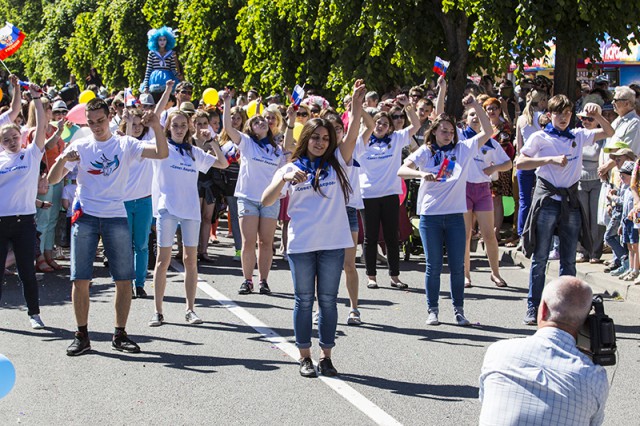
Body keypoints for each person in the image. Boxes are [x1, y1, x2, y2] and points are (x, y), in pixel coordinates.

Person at [48, 98, 169, 356]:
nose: (96, 127)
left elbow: (161, 153)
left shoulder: (125, 144)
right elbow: (52, 178)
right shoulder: (80, 144)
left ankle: (120, 334)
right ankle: (82, 335)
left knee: (124, 279)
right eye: (91, 123)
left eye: (101, 121)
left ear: (110, 118)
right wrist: (63, 161)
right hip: (86, 217)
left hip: (116, 215)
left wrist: (157, 127)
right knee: (80, 279)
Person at [261, 80, 365, 377]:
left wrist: (356, 106)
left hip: (333, 243)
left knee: (329, 301)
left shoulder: (339, 164)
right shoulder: (291, 167)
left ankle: (327, 355)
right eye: (315, 137)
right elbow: (266, 198)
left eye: (324, 138)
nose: (320, 142)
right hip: (302, 244)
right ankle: (304, 356)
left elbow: (355, 130)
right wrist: (283, 180)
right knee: (304, 300)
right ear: (305, 138)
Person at [517, 97, 614, 325]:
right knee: (540, 258)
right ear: (550, 114)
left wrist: (598, 116)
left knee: (569, 260)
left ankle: (567, 309)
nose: (563, 118)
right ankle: (534, 305)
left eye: (568, 113)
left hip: (570, 199)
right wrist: (548, 159)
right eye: (559, 114)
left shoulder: (578, 135)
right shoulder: (540, 137)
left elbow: (608, 132)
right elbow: (520, 162)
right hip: (548, 199)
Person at [398, 95, 491, 326]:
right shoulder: (426, 152)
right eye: (443, 131)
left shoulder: (463, 149)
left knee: (457, 266)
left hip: (455, 216)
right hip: (430, 216)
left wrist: (475, 106)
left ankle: (459, 310)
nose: (447, 134)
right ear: (435, 132)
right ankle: (433, 310)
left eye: (450, 131)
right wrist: (421, 174)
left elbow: (488, 131)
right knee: (434, 265)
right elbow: (402, 170)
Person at [479, 276, 609, 426]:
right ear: (586, 322)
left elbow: (487, 401)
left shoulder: (498, 352)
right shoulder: (594, 376)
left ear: (543, 310)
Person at [148, 110, 227, 327]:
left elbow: (223, 164)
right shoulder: (162, 146)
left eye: (183, 125)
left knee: (190, 261)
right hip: (167, 209)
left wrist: (212, 141)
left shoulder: (193, 151)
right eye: (175, 125)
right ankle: (158, 311)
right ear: (168, 127)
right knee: (162, 261)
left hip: (190, 211)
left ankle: (190, 309)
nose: (180, 129)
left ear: (189, 127)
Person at [221, 90, 292, 295]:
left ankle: (263, 281)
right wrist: (227, 102)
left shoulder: (276, 149)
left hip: (269, 201)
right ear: (250, 128)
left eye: (264, 121)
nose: (261, 122)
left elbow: (283, 170)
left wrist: (291, 120)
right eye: (257, 121)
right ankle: (247, 280)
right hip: (247, 198)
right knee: (249, 241)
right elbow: (227, 127)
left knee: (266, 242)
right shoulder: (247, 142)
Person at [356, 94, 420, 290]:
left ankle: (395, 276)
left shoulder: (397, 138)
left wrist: (408, 106)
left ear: (390, 126)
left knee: (393, 237)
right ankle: (371, 276)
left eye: (385, 123)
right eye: (378, 122)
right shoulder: (363, 141)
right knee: (370, 237)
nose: (381, 126)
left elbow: (416, 126)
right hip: (368, 194)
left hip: (391, 193)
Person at [0, 82, 48, 329]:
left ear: (21, 136)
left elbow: (41, 127)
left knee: (26, 271)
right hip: (1, 221)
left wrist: (36, 99)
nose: (11, 141)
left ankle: (34, 314)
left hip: (25, 221)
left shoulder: (30, 155)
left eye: (15, 137)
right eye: (6, 139)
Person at [121, 81, 174, 298]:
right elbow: (125, 136)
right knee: (125, 245)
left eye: (138, 125)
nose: (136, 128)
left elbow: (158, 112)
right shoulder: (122, 143)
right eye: (132, 125)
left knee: (141, 244)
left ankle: (140, 283)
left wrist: (168, 91)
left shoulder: (149, 141)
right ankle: (125, 282)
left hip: (144, 201)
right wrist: (127, 122)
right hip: (123, 201)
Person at [460, 107, 511, 288]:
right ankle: (466, 274)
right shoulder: (460, 138)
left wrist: (494, 168)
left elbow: (508, 163)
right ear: (465, 119)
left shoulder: (491, 143)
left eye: (479, 115)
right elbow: (440, 113)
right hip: (463, 189)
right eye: (471, 115)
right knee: (465, 235)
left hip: (482, 190)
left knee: (489, 235)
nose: (475, 118)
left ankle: (495, 273)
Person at [512, 89, 548, 248]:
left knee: (524, 200)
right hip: (539, 161)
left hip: (524, 160)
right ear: (541, 102)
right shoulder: (542, 118)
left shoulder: (521, 119)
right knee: (541, 200)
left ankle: (522, 235)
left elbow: (519, 145)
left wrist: (519, 158)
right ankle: (538, 234)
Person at [141, 26, 181, 95]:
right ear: (156, 41)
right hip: (154, 80)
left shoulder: (171, 53)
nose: (162, 42)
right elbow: (148, 69)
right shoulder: (152, 53)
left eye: (164, 39)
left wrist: (177, 75)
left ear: (167, 41)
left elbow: (172, 68)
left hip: (168, 78)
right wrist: (146, 85)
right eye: (160, 40)